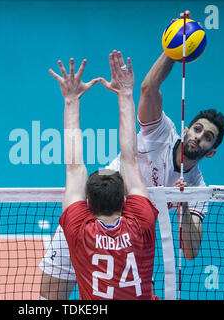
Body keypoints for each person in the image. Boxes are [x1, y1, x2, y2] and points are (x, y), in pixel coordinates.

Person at [39, 11, 224, 300]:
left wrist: (186, 203)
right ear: (186, 128)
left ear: (210, 152)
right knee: (49, 297)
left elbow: (190, 251)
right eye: (197, 129)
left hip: (127, 231)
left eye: (207, 138)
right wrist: (173, 51)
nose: (198, 137)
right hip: (96, 211)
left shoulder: (198, 190)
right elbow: (149, 88)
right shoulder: (163, 132)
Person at [49, 51, 159, 300]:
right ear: (124, 201)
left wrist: (71, 100)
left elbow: (74, 166)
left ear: (87, 204)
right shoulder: (141, 223)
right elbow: (130, 159)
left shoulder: (79, 231)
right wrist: (126, 93)